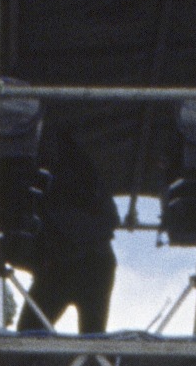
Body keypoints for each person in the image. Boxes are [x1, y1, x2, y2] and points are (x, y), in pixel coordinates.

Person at [14, 120, 119, 335]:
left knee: (29, 334)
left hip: (75, 259)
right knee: (91, 339)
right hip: (88, 258)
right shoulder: (67, 157)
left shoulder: (49, 162)